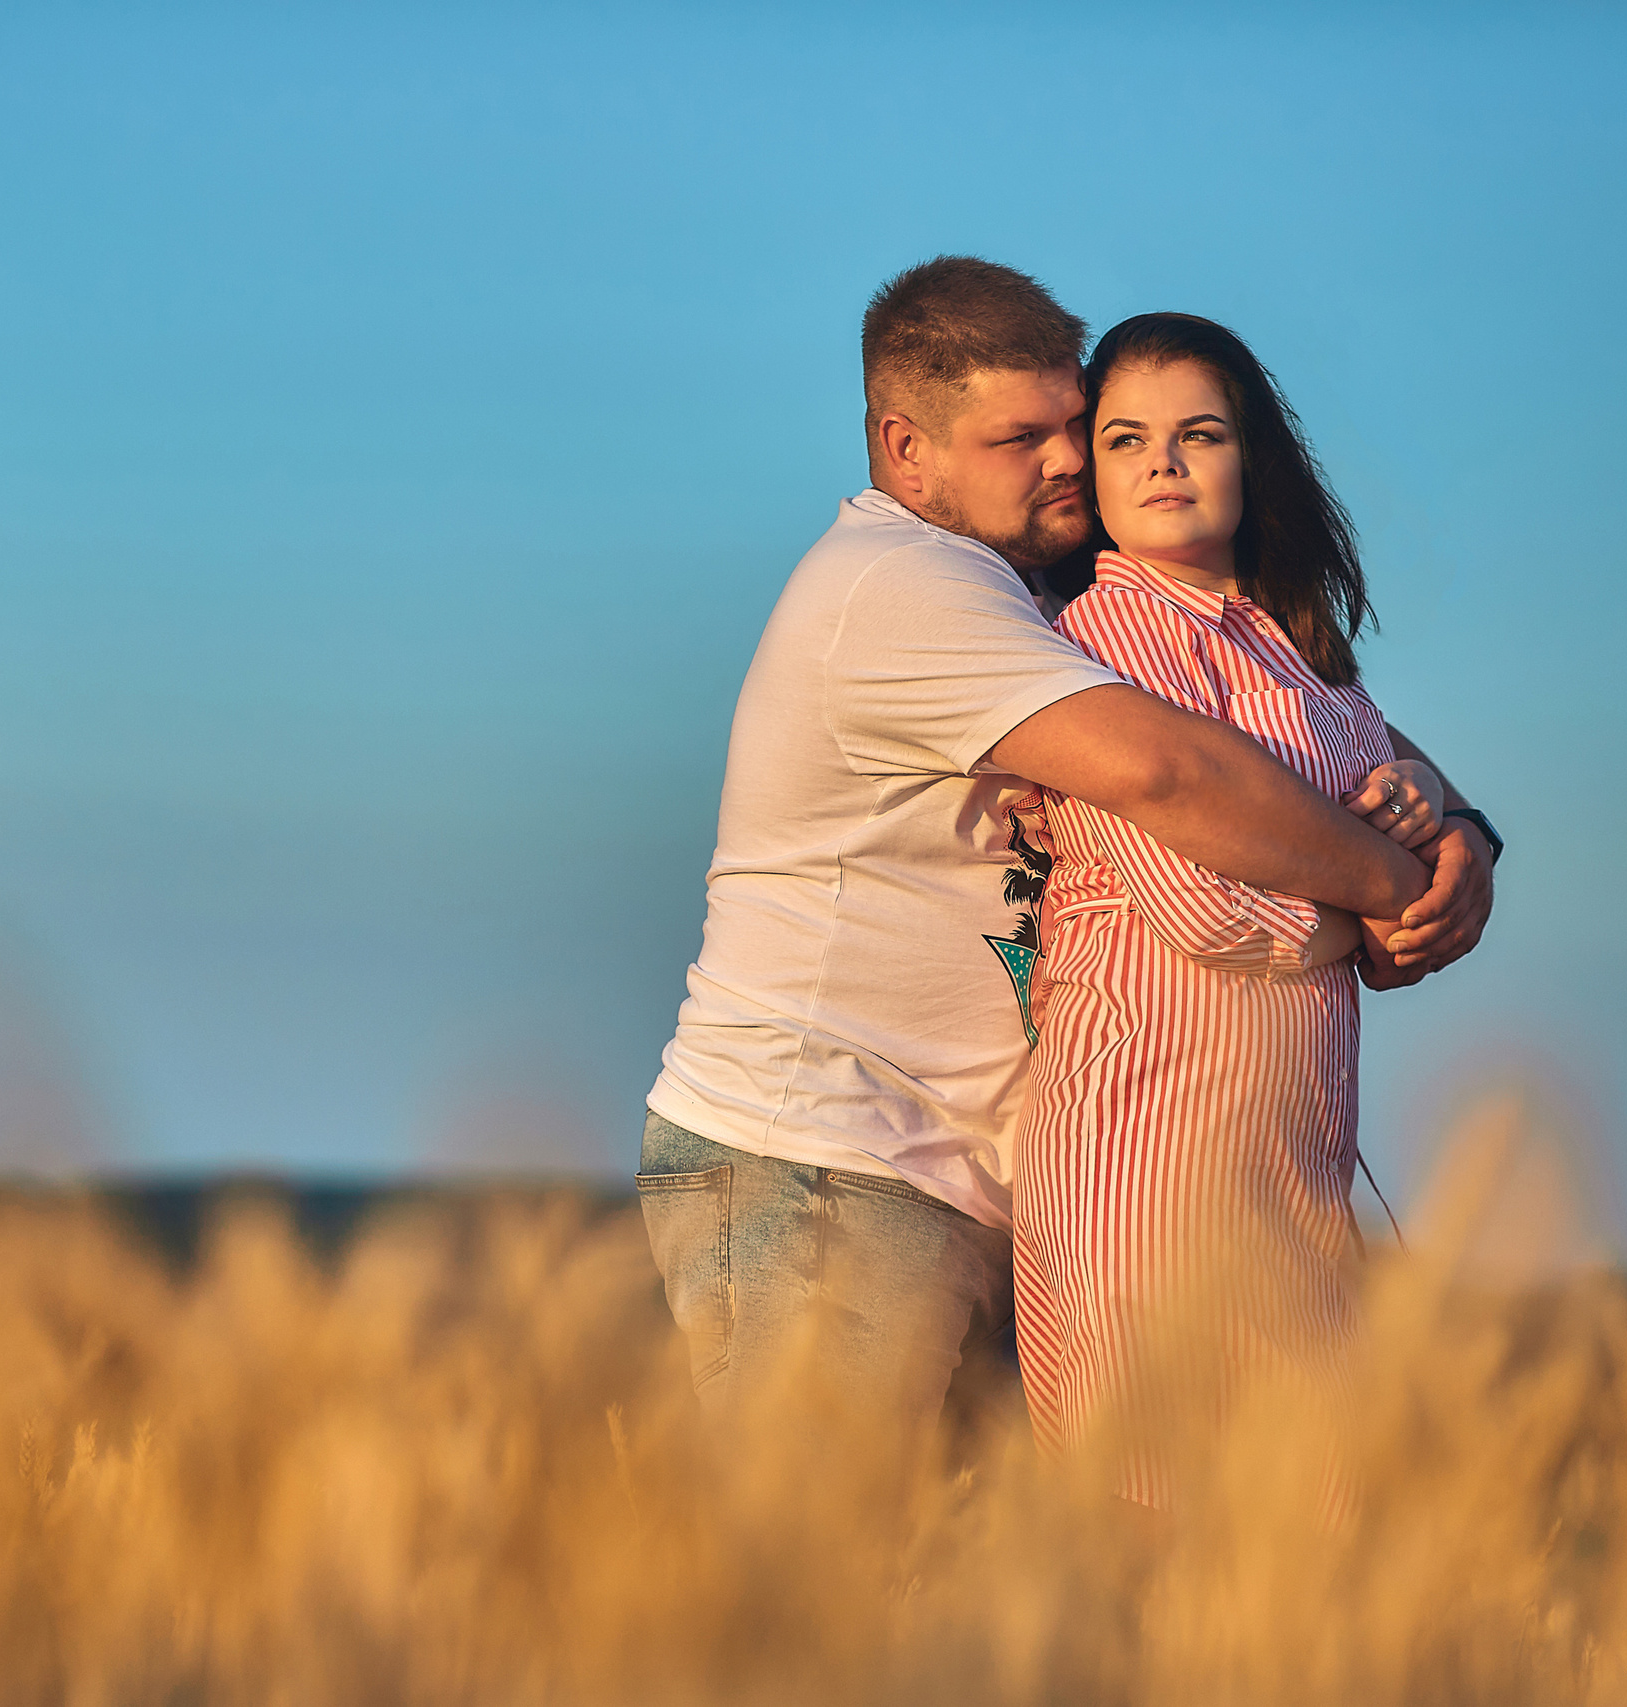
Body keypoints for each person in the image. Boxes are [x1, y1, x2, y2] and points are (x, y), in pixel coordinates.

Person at [638, 258, 1498, 1436]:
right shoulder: (901, 585)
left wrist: (1461, 825)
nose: (1061, 463)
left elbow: (1303, 715)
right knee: (810, 1585)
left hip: (980, 1176)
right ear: (905, 448)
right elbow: (1170, 769)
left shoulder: (1020, 588)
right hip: (828, 1159)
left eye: (1070, 430)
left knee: (980, 1600)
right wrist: (1397, 893)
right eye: (1016, 438)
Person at [1010, 313, 1472, 1507]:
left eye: (1197, 433)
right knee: (1154, 1536)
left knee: (1294, 1556)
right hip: (1147, 1155)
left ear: (1247, 458)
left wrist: (1422, 801)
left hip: (1292, 1173)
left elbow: (1398, 840)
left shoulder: (1299, 657)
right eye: (1126, 440)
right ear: (1093, 478)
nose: (1162, 462)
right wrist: (1360, 912)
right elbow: (1204, 908)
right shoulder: (1094, 644)